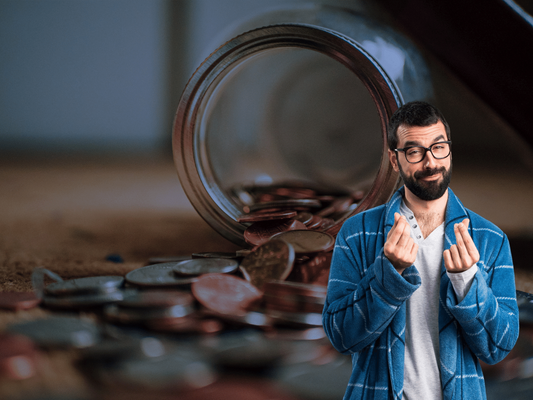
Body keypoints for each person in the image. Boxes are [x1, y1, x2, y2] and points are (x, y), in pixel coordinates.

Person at [322, 101, 519, 399]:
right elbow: (341, 337)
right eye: (414, 152)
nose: (430, 163)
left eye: (439, 147)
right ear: (394, 159)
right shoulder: (356, 232)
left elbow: (498, 348)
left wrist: (467, 282)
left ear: (449, 150)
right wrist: (388, 274)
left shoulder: (491, 238)